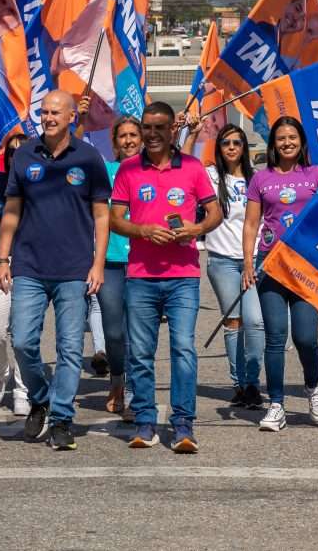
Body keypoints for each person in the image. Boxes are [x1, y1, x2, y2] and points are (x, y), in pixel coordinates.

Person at [0, 90, 110, 451]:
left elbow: (102, 215)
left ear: (72, 117)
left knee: (70, 350)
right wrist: (3, 258)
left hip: (74, 268)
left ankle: (61, 417)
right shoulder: (26, 154)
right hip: (29, 265)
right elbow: (11, 209)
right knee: (23, 340)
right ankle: (41, 398)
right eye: (43, 112)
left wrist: (98, 263)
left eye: (54, 112)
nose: (47, 118)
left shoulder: (90, 157)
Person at [111, 102, 222, 453]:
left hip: (183, 275)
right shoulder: (128, 169)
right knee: (141, 352)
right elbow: (115, 219)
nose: (153, 133)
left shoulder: (191, 167)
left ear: (173, 130)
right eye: (148, 127)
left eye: (160, 127)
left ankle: (183, 424)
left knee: (183, 349)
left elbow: (215, 212)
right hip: (141, 275)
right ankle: (145, 421)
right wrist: (142, 230)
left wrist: (197, 227)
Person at [242, 116, 318, 432]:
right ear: (273, 143)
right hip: (272, 265)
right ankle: (276, 404)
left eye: (292, 137)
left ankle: (313, 388)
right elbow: (252, 224)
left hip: (307, 267)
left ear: (301, 141)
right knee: (275, 337)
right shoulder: (260, 179)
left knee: (305, 337)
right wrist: (249, 263)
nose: (287, 142)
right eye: (281, 138)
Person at [203, 123, 264, 410]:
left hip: (252, 261)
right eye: (225, 142)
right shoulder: (211, 176)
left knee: (255, 321)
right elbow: (183, 159)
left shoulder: (256, 180)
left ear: (244, 147)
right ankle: (239, 384)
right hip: (222, 261)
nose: (231, 147)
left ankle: (253, 380)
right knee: (234, 322)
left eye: (237, 142)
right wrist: (190, 132)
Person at [94, 115, 142, 420]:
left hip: (142, 262)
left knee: (138, 332)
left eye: (133, 135)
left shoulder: (152, 171)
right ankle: (117, 379)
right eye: (122, 136)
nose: (128, 140)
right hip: (110, 262)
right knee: (113, 332)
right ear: (114, 143)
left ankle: (136, 392)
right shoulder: (105, 172)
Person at [0, 131, 30, 415]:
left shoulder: (41, 183)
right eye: (12, 151)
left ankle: (23, 389)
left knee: (24, 333)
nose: (18, 155)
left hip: (29, 265)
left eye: (23, 150)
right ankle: (0, 375)